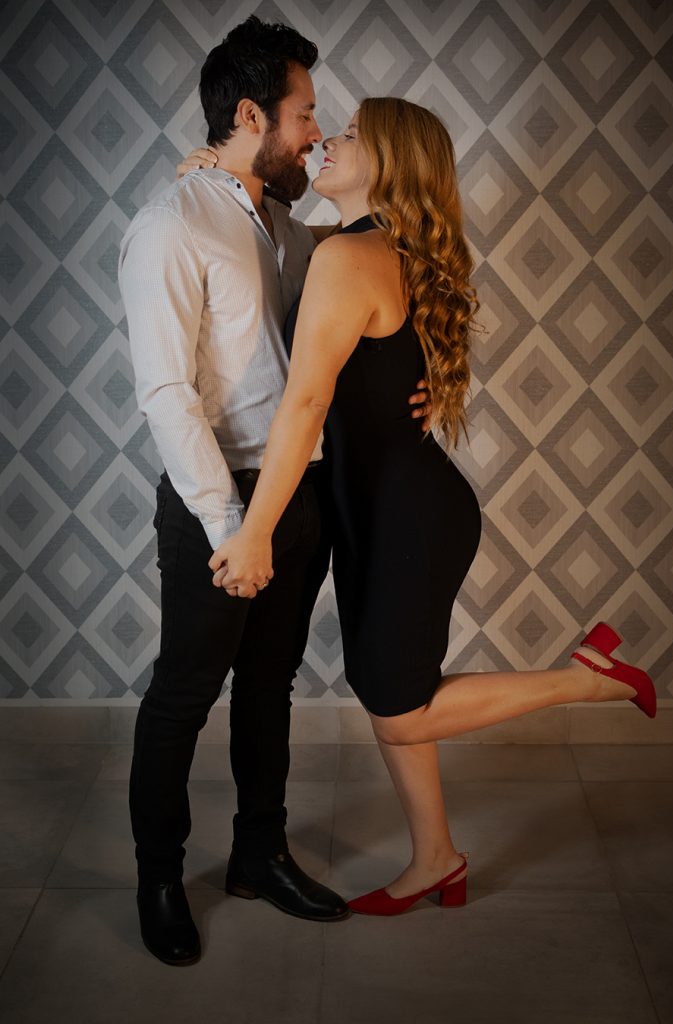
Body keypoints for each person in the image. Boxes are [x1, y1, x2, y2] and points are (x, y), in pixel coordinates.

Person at [206, 97, 658, 917]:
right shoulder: (371, 246)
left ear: (389, 164)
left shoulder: (351, 257)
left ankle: (587, 681)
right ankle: (436, 859)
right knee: (391, 691)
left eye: (351, 135)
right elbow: (283, 247)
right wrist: (217, 175)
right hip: (385, 510)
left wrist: (254, 531)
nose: (329, 140)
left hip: (404, 520)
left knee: (398, 707)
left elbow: (305, 403)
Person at [118, 17, 429, 965]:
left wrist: (419, 384)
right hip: (219, 503)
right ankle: (160, 878)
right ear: (251, 115)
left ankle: (260, 854)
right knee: (184, 693)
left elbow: (377, 286)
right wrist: (233, 524)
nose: (314, 132)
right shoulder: (171, 224)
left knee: (270, 686)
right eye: (303, 114)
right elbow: (165, 393)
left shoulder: (294, 230)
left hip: (302, 492)